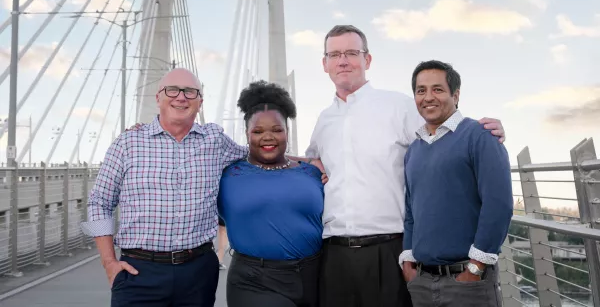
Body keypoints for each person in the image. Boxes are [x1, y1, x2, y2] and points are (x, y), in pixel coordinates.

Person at [306, 25, 506, 307]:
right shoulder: (323, 120)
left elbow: (446, 132)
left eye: (352, 52)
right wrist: (315, 164)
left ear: (368, 60)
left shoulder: (400, 107)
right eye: (334, 54)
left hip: (390, 250)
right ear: (324, 63)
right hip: (334, 252)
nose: (343, 61)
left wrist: (489, 130)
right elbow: (312, 159)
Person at [81, 69, 265, 306]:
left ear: (200, 102)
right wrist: (109, 263)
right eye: (172, 90)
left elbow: (262, 154)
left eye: (190, 92)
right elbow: (99, 203)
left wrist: (312, 163)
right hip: (138, 273)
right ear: (158, 98)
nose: (181, 97)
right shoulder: (127, 144)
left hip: (198, 273)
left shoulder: (215, 140)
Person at [400, 60, 513, 307]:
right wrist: (407, 259)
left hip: (468, 283)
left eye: (438, 89)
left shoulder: (480, 136)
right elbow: (411, 210)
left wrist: (475, 268)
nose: (428, 97)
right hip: (421, 283)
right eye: (421, 91)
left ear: (456, 95)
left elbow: (498, 206)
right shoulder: (414, 150)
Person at [218, 81, 324, 307]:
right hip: (255, 281)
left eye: (277, 130)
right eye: (258, 131)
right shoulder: (227, 175)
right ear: (247, 134)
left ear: (287, 132)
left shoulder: (312, 172)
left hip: (316, 276)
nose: (268, 137)